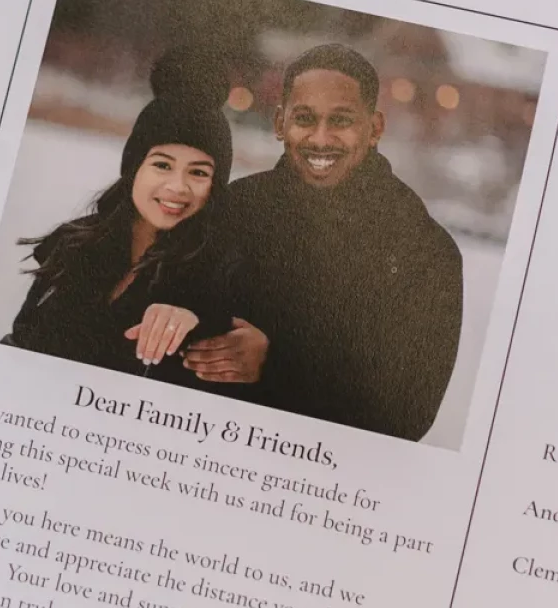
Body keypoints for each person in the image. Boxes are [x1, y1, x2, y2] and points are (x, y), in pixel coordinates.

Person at [184, 43, 464, 441]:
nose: (320, 138)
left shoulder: (425, 251)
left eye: (341, 120)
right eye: (304, 118)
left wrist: (275, 364)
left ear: (374, 128)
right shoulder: (232, 209)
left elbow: (409, 413)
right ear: (280, 123)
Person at [3, 55, 234, 381]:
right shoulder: (74, 244)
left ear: (215, 186)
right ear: (134, 167)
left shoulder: (219, 271)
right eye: (162, 165)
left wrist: (198, 323)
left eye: (198, 172)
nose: (177, 187)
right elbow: (19, 341)